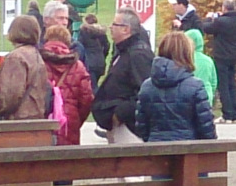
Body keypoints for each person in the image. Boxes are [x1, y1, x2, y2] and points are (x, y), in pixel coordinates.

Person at [136, 31, 216, 142]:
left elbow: (142, 126)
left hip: (155, 146)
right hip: (188, 146)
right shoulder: (195, 86)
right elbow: (206, 127)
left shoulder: (147, 86)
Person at [91, 8, 154, 143]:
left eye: (115, 24)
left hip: (130, 130)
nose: (110, 27)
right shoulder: (123, 52)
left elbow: (145, 93)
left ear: (126, 29)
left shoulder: (138, 55)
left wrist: (119, 114)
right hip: (119, 128)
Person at [0, 15, 49, 120]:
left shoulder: (16, 57)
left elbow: (10, 94)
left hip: (17, 120)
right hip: (35, 117)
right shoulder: (36, 55)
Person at [40, 25, 94, 145]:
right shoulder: (78, 66)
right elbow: (87, 99)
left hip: (43, 120)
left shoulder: (38, 62)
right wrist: (77, 118)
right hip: (69, 121)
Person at [201, 0, 236, 123]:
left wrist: (209, 18)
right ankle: (235, 113)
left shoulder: (220, 22)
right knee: (232, 84)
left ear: (224, 8)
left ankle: (227, 114)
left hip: (221, 56)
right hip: (234, 56)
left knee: (223, 85)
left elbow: (206, 28)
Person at [184, 28, 217, 105]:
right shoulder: (208, 60)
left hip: (188, 96)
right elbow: (214, 82)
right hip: (206, 95)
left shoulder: (184, 59)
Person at [77, 13, 109, 91]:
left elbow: (79, 46)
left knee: (92, 87)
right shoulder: (101, 33)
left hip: (90, 63)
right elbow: (107, 46)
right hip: (100, 62)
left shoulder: (84, 32)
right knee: (95, 85)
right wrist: (103, 56)